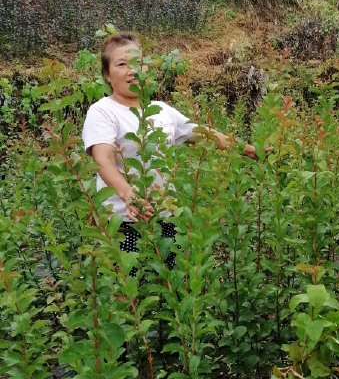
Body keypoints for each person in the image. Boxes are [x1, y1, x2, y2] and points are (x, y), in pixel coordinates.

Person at [82, 31, 257, 263]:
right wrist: (128, 194)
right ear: (107, 74)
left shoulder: (161, 110)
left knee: (168, 285)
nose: (132, 71)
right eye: (122, 64)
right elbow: (102, 158)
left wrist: (252, 150)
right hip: (124, 222)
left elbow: (207, 135)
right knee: (130, 289)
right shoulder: (103, 111)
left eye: (138, 63)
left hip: (165, 218)